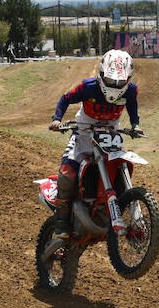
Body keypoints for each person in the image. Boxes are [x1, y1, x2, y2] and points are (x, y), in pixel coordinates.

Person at [46, 49, 143, 239]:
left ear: (129, 78)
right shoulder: (88, 87)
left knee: (120, 164)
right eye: (111, 80)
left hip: (111, 131)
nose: (115, 85)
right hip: (84, 130)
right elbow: (65, 98)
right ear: (101, 73)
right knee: (67, 173)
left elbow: (132, 106)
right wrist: (57, 119)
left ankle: (122, 212)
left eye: (120, 82)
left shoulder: (131, 90)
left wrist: (135, 125)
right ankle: (62, 222)